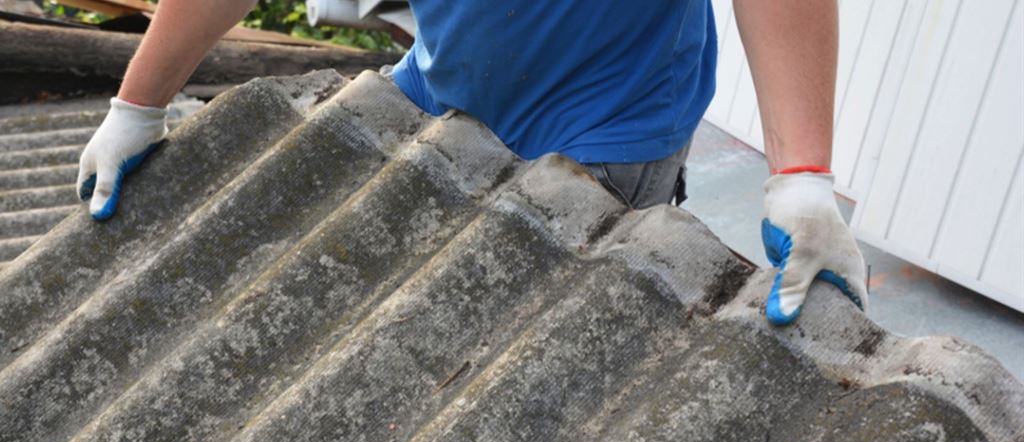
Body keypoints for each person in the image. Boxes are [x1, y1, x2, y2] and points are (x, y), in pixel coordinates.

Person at [76, 0, 867, 326]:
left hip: (605, 126)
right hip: (443, 82)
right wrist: (137, 106)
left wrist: (802, 176)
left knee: (534, 340)